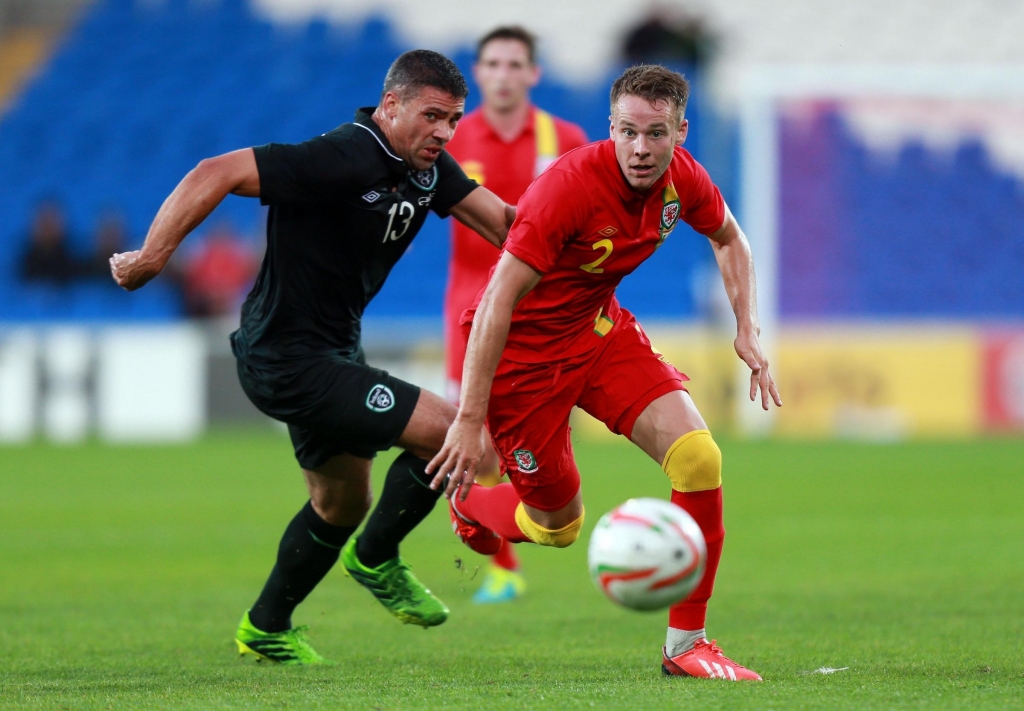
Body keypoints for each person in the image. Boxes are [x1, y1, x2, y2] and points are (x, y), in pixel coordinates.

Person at [111, 50, 514, 665]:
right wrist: (151, 257)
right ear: (391, 106)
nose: (444, 131)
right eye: (432, 115)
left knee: (341, 502)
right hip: (287, 357)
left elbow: (505, 225)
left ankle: (267, 626)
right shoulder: (342, 155)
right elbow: (213, 170)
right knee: (456, 436)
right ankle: (376, 557)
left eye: (454, 119)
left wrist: (590, 236)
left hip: (331, 351)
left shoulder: (427, 166)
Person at [428, 64, 781, 681]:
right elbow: (494, 305)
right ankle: (471, 505)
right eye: (628, 132)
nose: (641, 149)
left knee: (699, 457)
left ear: (680, 132)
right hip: (523, 362)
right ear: (610, 128)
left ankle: (686, 644)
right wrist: (468, 419)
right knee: (557, 527)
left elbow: (731, 239)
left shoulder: (683, 180)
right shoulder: (566, 189)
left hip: (596, 334)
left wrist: (746, 328)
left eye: (656, 133)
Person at [443, 26, 588, 604]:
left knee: (544, 435)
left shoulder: (565, 137)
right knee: (475, 439)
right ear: (477, 73)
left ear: (534, 74)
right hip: (470, 307)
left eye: (514, 64)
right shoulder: (452, 137)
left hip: (546, 309)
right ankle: (499, 566)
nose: (503, 74)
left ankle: (528, 523)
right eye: (493, 64)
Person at [19, 198, 78, 286]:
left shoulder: (73, 261)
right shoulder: (24, 264)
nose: (48, 228)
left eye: (52, 221)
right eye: (44, 222)